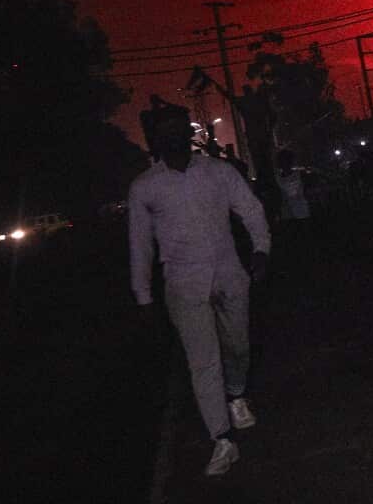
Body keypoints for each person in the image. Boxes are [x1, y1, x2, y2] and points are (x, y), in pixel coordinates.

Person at [128, 104, 271, 476]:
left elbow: (251, 210)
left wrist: (261, 249)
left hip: (228, 275)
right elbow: (140, 245)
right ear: (155, 139)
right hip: (183, 285)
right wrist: (143, 296)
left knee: (237, 345)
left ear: (188, 134)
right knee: (202, 361)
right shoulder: (145, 187)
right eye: (165, 131)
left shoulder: (218, 172)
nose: (173, 136)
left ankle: (237, 394)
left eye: (179, 128)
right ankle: (222, 438)